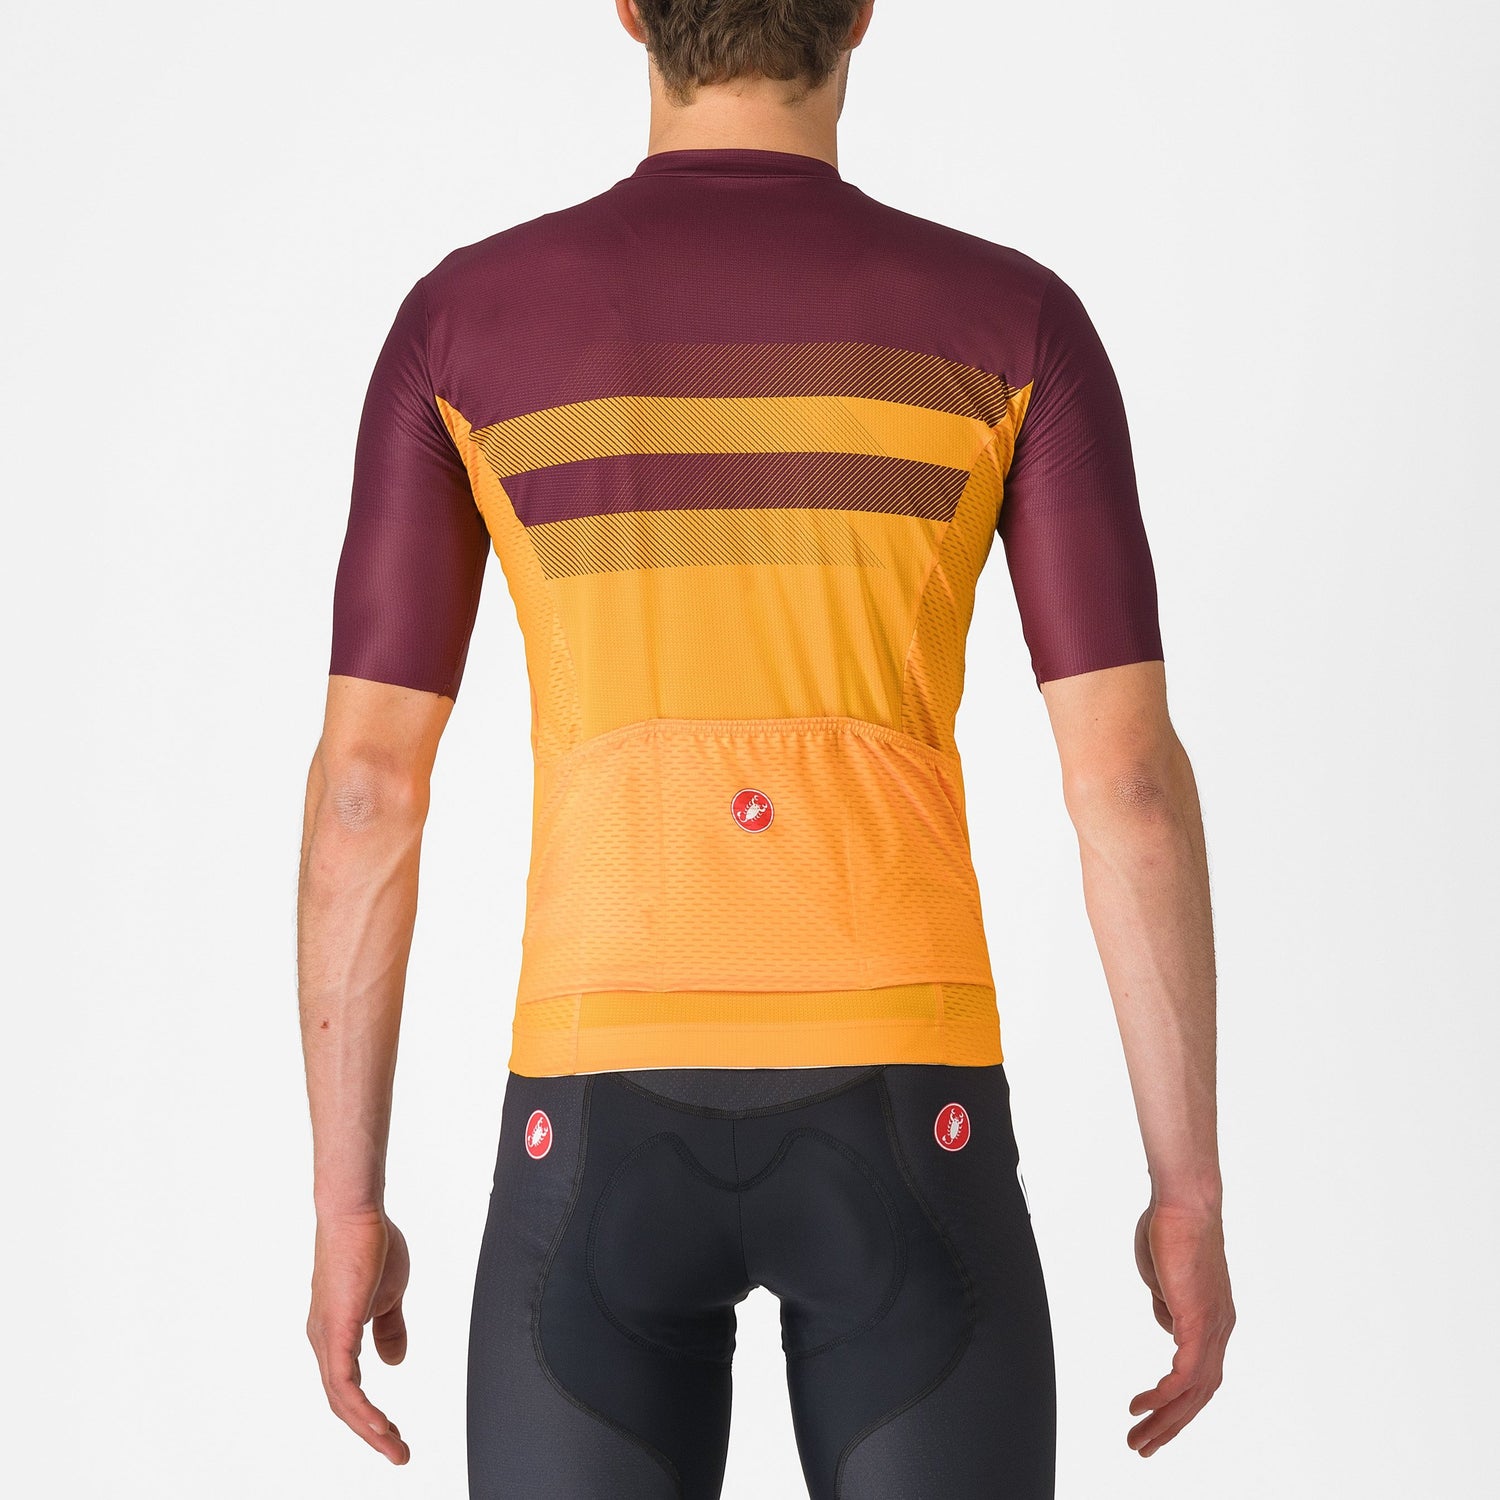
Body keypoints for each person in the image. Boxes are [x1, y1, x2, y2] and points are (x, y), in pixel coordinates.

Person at [297, 2, 1235, 1495]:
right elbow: (1127, 788)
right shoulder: (1011, 325)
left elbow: (365, 794)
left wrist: (349, 1205)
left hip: (592, 1110)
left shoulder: (466, 325)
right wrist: (1185, 1191)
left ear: (629, 9)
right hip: (906, 1102)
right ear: (859, 11)